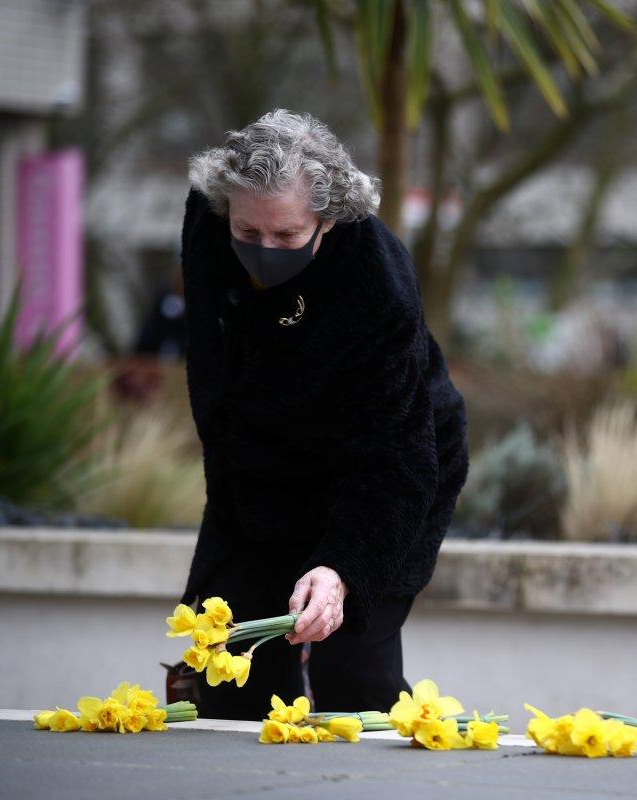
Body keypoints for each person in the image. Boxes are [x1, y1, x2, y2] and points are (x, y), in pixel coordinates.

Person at [177, 108, 469, 720]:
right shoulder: (208, 220)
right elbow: (215, 379)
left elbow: (395, 458)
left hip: (389, 466)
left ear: (328, 219)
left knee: (351, 667)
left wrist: (340, 571)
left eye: (286, 237)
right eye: (248, 233)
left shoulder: (378, 283)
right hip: (262, 463)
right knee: (230, 661)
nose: (263, 251)